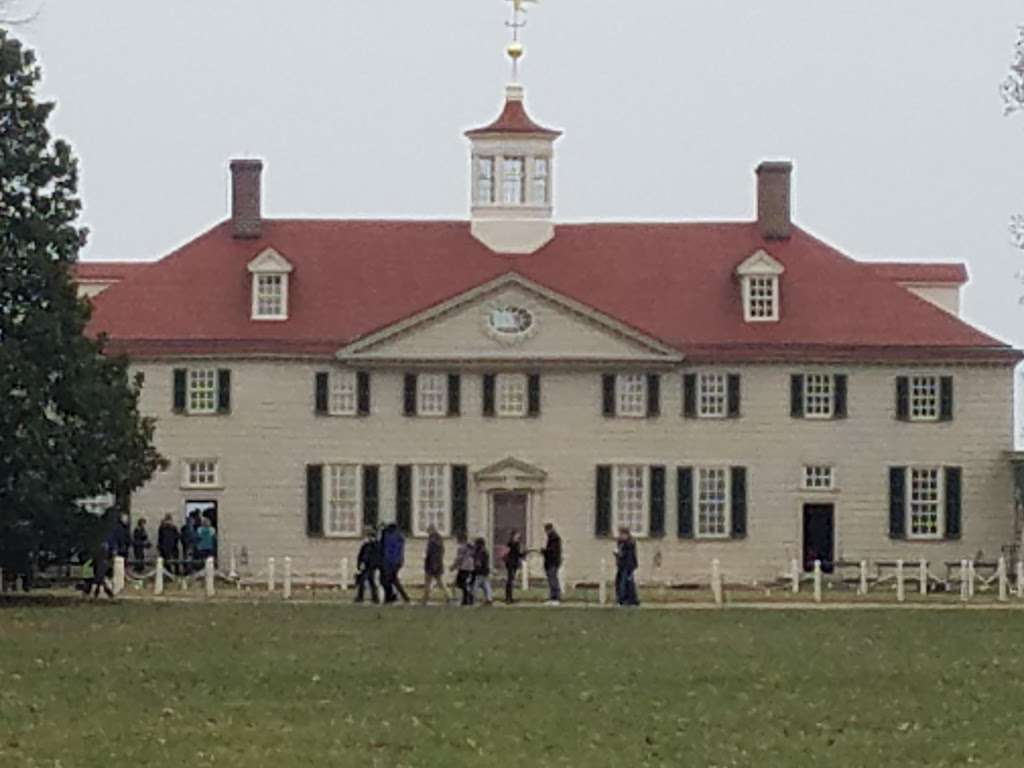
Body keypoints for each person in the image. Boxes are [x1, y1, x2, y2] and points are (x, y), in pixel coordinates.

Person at [380, 523, 410, 604]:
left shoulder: (390, 536)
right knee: (393, 580)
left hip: (390, 562)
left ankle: (390, 597)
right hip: (397, 561)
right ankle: (402, 597)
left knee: (386, 580)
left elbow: (387, 549)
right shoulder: (399, 536)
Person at [422, 525, 451, 605]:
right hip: (437, 564)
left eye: (428, 531)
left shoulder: (432, 541)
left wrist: (432, 564)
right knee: (440, 582)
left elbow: (432, 554)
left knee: (428, 582)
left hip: (432, 565)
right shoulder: (439, 540)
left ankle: (425, 599)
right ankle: (448, 596)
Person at [614, 526, 640, 606]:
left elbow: (628, 555)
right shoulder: (620, 542)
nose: (621, 536)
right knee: (620, 582)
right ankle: (624, 599)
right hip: (621, 566)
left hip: (628, 566)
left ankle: (626, 599)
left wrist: (620, 554)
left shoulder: (629, 543)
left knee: (625, 583)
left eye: (622, 534)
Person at [354, 527, 380, 604]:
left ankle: (374, 597)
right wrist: (359, 564)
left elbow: (377, 556)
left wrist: (375, 565)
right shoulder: (365, 546)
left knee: (371, 581)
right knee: (363, 581)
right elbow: (360, 555)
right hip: (365, 565)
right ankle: (361, 597)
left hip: (371, 566)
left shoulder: (376, 546)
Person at [451, 532, 476, 606]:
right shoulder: (470, 546)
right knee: (463, 583)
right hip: (470, 567)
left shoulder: (461, 547)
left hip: (464, 567)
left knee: (460, 583)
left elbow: (459, 558)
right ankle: (467, 598)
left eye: (457, 539)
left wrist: (453, 566)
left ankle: (468, 596)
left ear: (461, 539)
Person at [541, 523, 563, 605]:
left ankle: (555, 597)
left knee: (553, 579)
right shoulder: (553, 538)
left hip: (552, 562)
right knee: (552, 579)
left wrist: (544, 551)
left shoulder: (554, 538)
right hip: (552, 561)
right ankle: (553, 596)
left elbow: (551, 551)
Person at [503, 530, 525, 604]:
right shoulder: (511, 544)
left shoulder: (517, 544)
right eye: (517, 535)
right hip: (510, 563)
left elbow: (518, 554)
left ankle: (510, 597)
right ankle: (508, 598)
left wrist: (523, 554)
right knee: (510, 580)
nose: (518, 536)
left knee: (511, 580)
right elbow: (509, 552)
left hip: (514, 563)